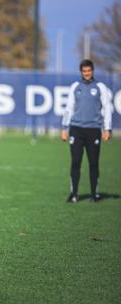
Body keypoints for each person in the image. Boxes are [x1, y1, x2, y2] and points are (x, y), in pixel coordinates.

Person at [61, 59, 113, 203]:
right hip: (76, 130)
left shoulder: (100, 87)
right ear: (81, 72)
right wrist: (64, 128)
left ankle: (94, 194)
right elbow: (69, 107)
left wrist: (107, 128)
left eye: (89, 71)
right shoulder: (75, 86)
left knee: (93, 163)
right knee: (76, 161)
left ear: (92, 71)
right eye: (84, 71)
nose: (87, 73)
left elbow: (107, 108)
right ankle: (74, 194)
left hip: (94, 130)